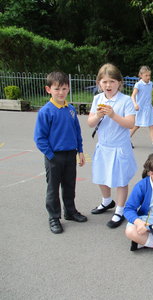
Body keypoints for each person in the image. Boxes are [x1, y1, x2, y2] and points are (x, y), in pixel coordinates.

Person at [34, 71, 87, 234]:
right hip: (54, 156)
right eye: (57, 89)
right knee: (53, 188)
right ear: (48, 89)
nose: (61, 92)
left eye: (64, 89)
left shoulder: (70, 109)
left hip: (71, 154)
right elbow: (39, 138)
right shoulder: (46, 111)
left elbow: (76, 131)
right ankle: (54, 217)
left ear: (68, 89)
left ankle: (70, 211)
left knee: (70, 185)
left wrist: (80, 151)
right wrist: (50, 155)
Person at [87, 63, 137, 228]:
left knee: (120, 180)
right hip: (104, 146)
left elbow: (130, 123)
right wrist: (98, 116)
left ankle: (120, 210)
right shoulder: (97, 99)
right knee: (101, 176)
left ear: (119, 83)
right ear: (99, 83)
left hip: (119, 147)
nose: (108, 85)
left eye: (112, 81)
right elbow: (90, 122)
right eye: (104, 82)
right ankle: (107, 201)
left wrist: (113, 115)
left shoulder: (125, 101)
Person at [129, 66, 153, 152]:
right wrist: (135, 104)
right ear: (141, 75)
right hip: (140, 109)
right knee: (136, 126)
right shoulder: (138, 84)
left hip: (148, 108)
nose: (148, 77)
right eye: (146, 75)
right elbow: (133, 96)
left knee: (151, 125)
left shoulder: (150, 83)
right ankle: (126, 140)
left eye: (149, 75)